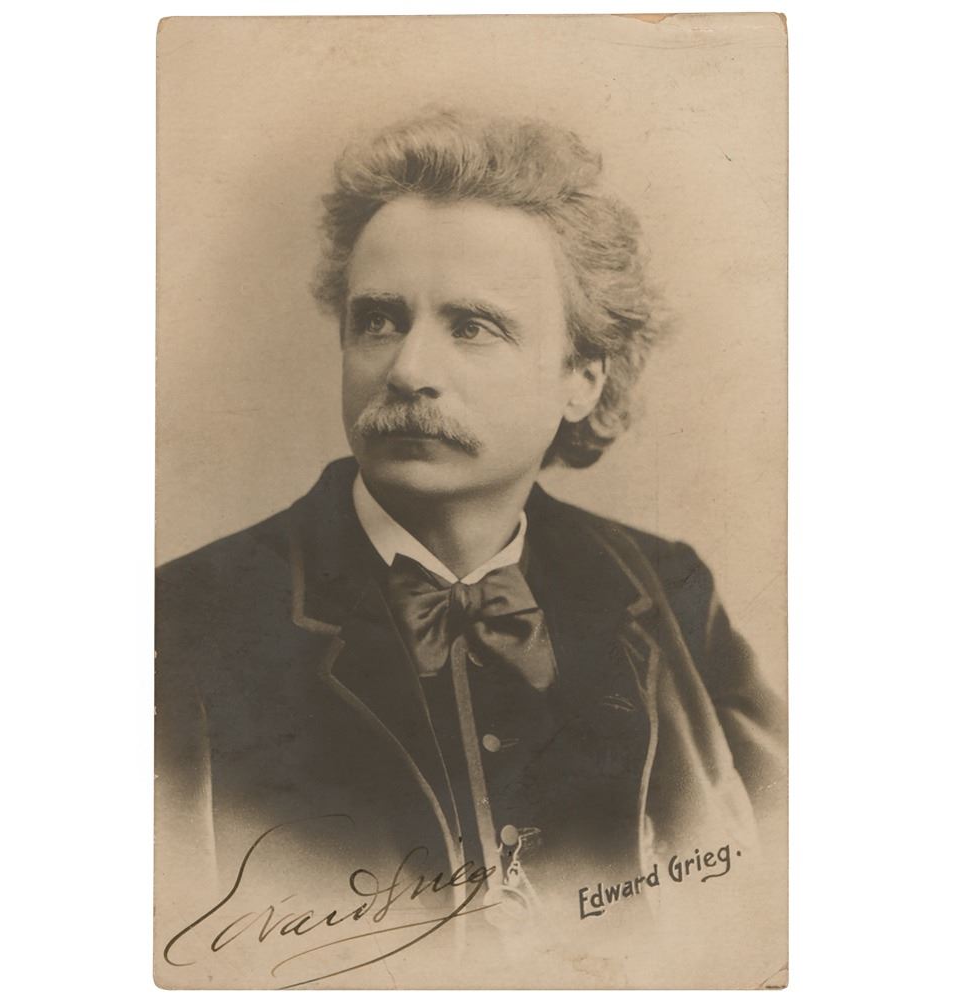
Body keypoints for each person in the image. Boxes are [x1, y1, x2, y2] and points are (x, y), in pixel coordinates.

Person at [155, 108, 786, 982]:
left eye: (472, 326)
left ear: (582, 377)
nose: (408, 370)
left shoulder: (670, 595)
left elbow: (776, 905)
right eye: (379, 320)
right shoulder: (183, 625)